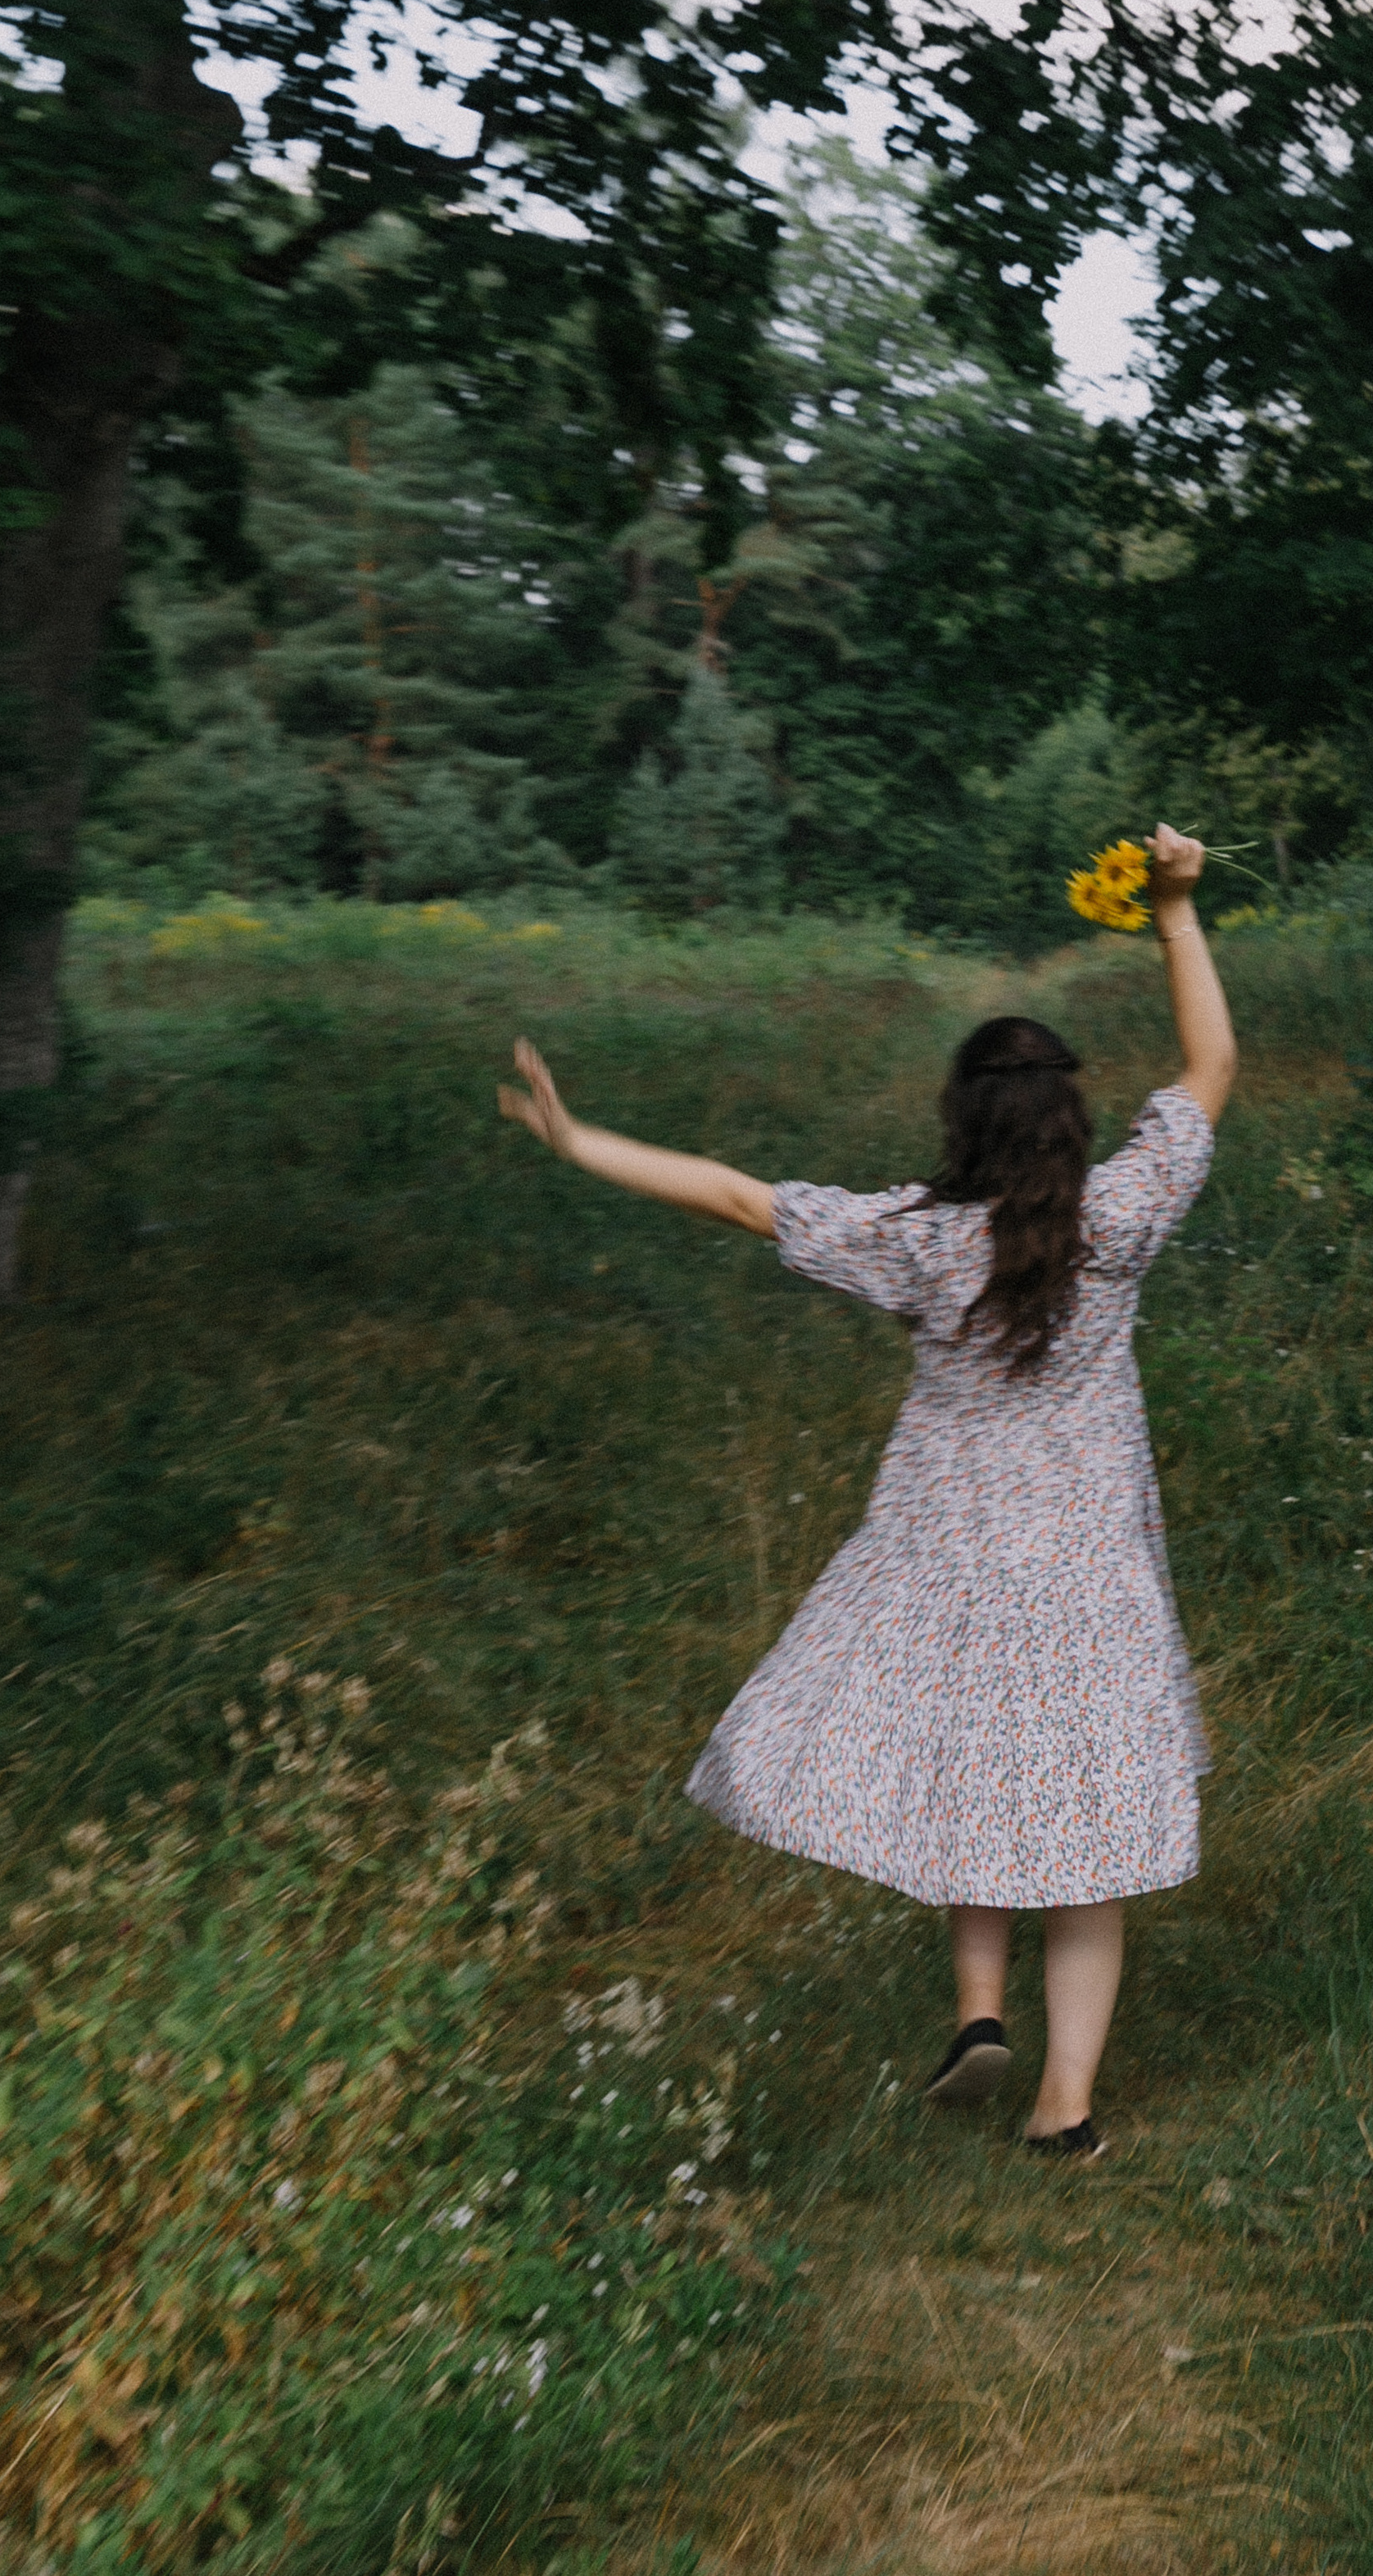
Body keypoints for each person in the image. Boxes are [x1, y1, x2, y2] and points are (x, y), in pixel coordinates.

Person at [496, 823, 1235, 2159]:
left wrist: (579, 1139)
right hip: (1090, 1573)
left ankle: (977, 2011)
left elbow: (741, 1200)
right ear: (1072, 1121)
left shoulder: (920, 1241)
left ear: (962, 1123)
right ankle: (1064, 2112)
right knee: (1090, 1841)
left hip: (949, 1563)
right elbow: (1211, 1070)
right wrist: (1177, 911)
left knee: (973, 1781)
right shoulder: (1121, 1221)